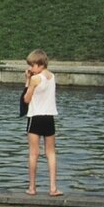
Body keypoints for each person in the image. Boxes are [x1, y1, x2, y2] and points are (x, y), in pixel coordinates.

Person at [23, 49, 62, 196]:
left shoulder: (35, 79)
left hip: (35, 117)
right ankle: (53, 188)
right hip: (49, 117)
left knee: (34, 154)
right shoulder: (52, 76)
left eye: (32, 65)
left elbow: (26, 99)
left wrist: (27, 80)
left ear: (40, 65)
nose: (30, 69)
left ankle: (32, 187)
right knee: (51, 153)